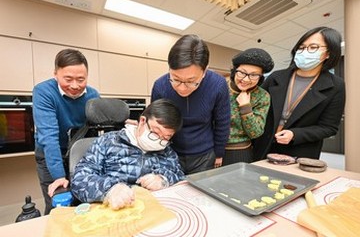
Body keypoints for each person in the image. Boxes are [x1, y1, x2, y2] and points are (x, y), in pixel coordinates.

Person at [71, 99, 185, 210]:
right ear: (142, 121)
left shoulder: (166, 150)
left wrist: (164, 180)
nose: (158, 140)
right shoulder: (108, 141)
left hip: (153, 211)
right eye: (155, 133)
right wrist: (109, 190)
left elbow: (180, 177)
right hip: (114, 211)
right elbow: (79, 180)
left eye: (165, 137)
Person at [253, 26, 345, 161]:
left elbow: (329, 127)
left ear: (328, 53)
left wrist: (295, 134)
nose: (305, 52)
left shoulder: (336, 85)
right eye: (301, 47)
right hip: (264, 144)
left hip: (300, 150)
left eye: (313, 47)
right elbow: (257, 106)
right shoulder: (276, 77)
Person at [32, 48, 100, 215]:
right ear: (55, 74)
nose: (75, 86)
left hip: (79, 153)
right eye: (68, 79)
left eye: (81, 79)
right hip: (51, 153)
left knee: (84, 200)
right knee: (58, 203)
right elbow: (49, 137)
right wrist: (59, 176)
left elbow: (98, 128)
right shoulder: (44, 92)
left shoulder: (93, 94)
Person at [151, 34, 231, 174]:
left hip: (204, 155)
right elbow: (156, 123)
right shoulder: (160, 86)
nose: (182, 88)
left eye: (190, 81)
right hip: (170, 152)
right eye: (175, 79)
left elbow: (222, 122)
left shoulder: (218, 84)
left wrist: (219, 153)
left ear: (205, 71)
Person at [223, 48, 274, 165]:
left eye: (254, 75)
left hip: (239, 151)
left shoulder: (262, 96)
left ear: (260, 77)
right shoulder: (221, 86)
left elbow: (255, 132)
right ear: (234, 70)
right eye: (242, 72)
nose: (246, 79)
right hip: (209, 148)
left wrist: (245, 107)